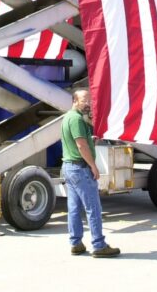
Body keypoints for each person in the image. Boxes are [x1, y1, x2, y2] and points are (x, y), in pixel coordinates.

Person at [60, 89, 120, 257]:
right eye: (84, 100)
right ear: (74, 101)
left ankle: (76, 243)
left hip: (69, 167)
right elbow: (81, 145)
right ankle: (99, 245)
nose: (88, 104)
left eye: (90, 101)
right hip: (80, 169)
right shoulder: (77, 119)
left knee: (74, 208)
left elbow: (79, 142)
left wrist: (91, 141)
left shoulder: (67, 118)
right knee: (93, 207)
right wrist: (93, 165)